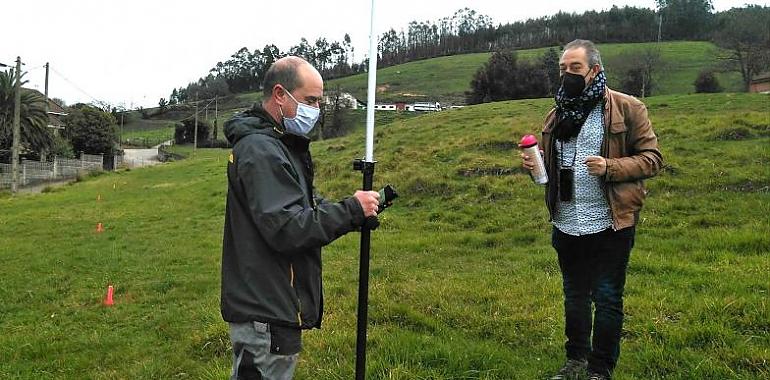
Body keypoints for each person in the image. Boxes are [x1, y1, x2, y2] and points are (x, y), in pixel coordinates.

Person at [221, 56, 380, 380]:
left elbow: (299, 202)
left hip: (267, 302)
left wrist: (350, 209)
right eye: (310, 100)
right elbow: (287, 227)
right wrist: (351, 210)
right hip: (266, 307)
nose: (316, 110)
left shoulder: (275, 145)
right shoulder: (262, 150)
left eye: (319, 101)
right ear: (280, 94)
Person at [522, 39, 663, 380]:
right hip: (567, 222)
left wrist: (610, 167)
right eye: (563, 69)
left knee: (608, 297)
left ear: (595, 70)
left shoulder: (628, 108)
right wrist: (535, 167)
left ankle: (600, 370)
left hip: (610, 223)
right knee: (575, 297)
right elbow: (550, 171)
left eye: (576, 68)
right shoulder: (556, 114)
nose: (567, 75)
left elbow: (653, 159)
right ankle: (575, 362)